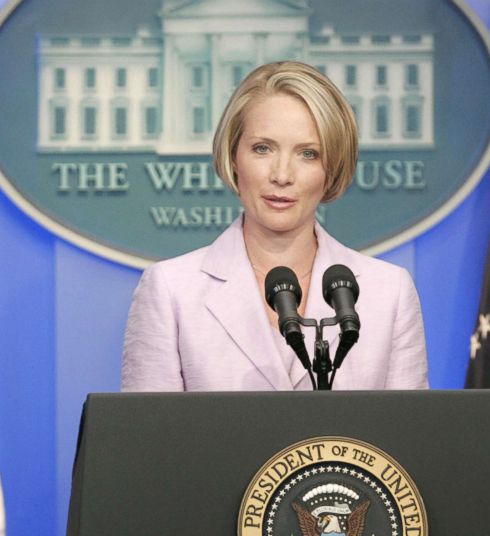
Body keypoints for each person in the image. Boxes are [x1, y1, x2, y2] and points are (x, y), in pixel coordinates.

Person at [121, 61, 428, 392]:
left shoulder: (389, 292)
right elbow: (147, 439)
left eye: (308, 154)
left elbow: (404, 439)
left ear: (332, 167)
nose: (282, 175)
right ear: (234, 156)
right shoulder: (171, 290)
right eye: (262, 148)